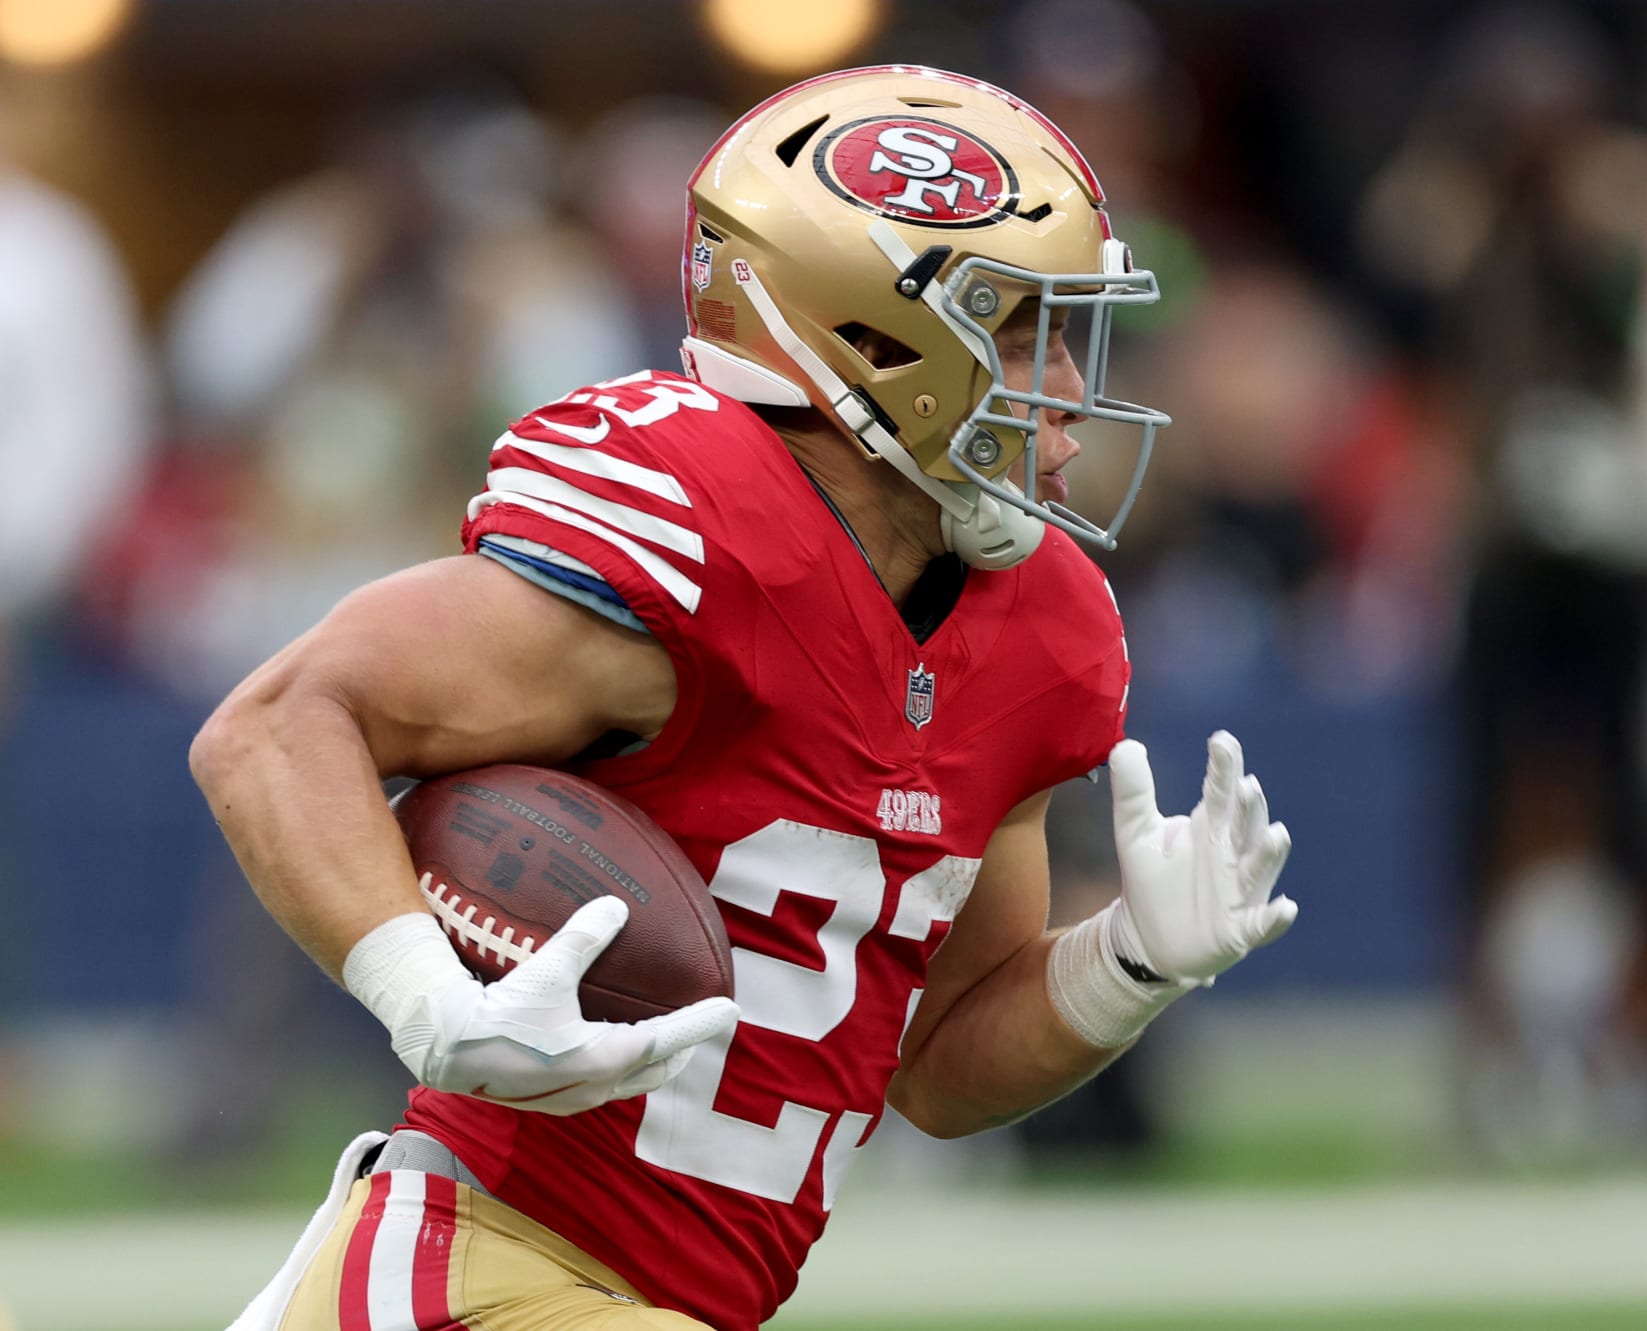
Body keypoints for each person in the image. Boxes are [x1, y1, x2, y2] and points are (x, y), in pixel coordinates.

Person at [191, 66, 1299, 1331]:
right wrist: (427, 1001)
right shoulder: (694, 522)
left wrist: (1125, 966)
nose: (1065, 383)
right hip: (468, 1266)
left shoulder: (1044, 631)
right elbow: (276, 725)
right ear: (876, 336)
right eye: (1022, 327)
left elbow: (935, 1066)